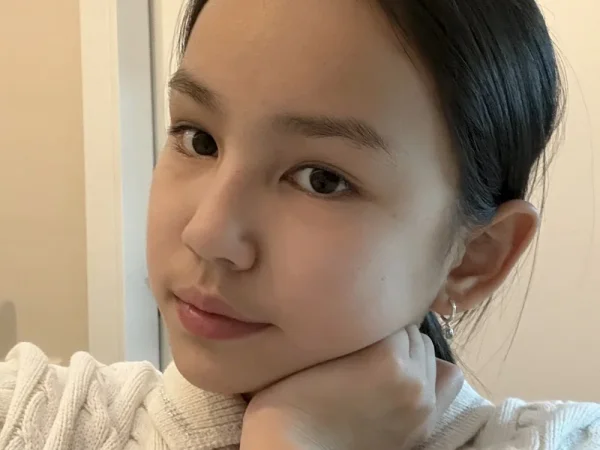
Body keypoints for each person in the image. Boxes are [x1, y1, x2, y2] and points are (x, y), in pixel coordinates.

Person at [1, 0, 599, 448]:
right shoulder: (31, 416)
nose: (207, 233)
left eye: (321, 179)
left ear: (474, 257)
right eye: (199, 138)